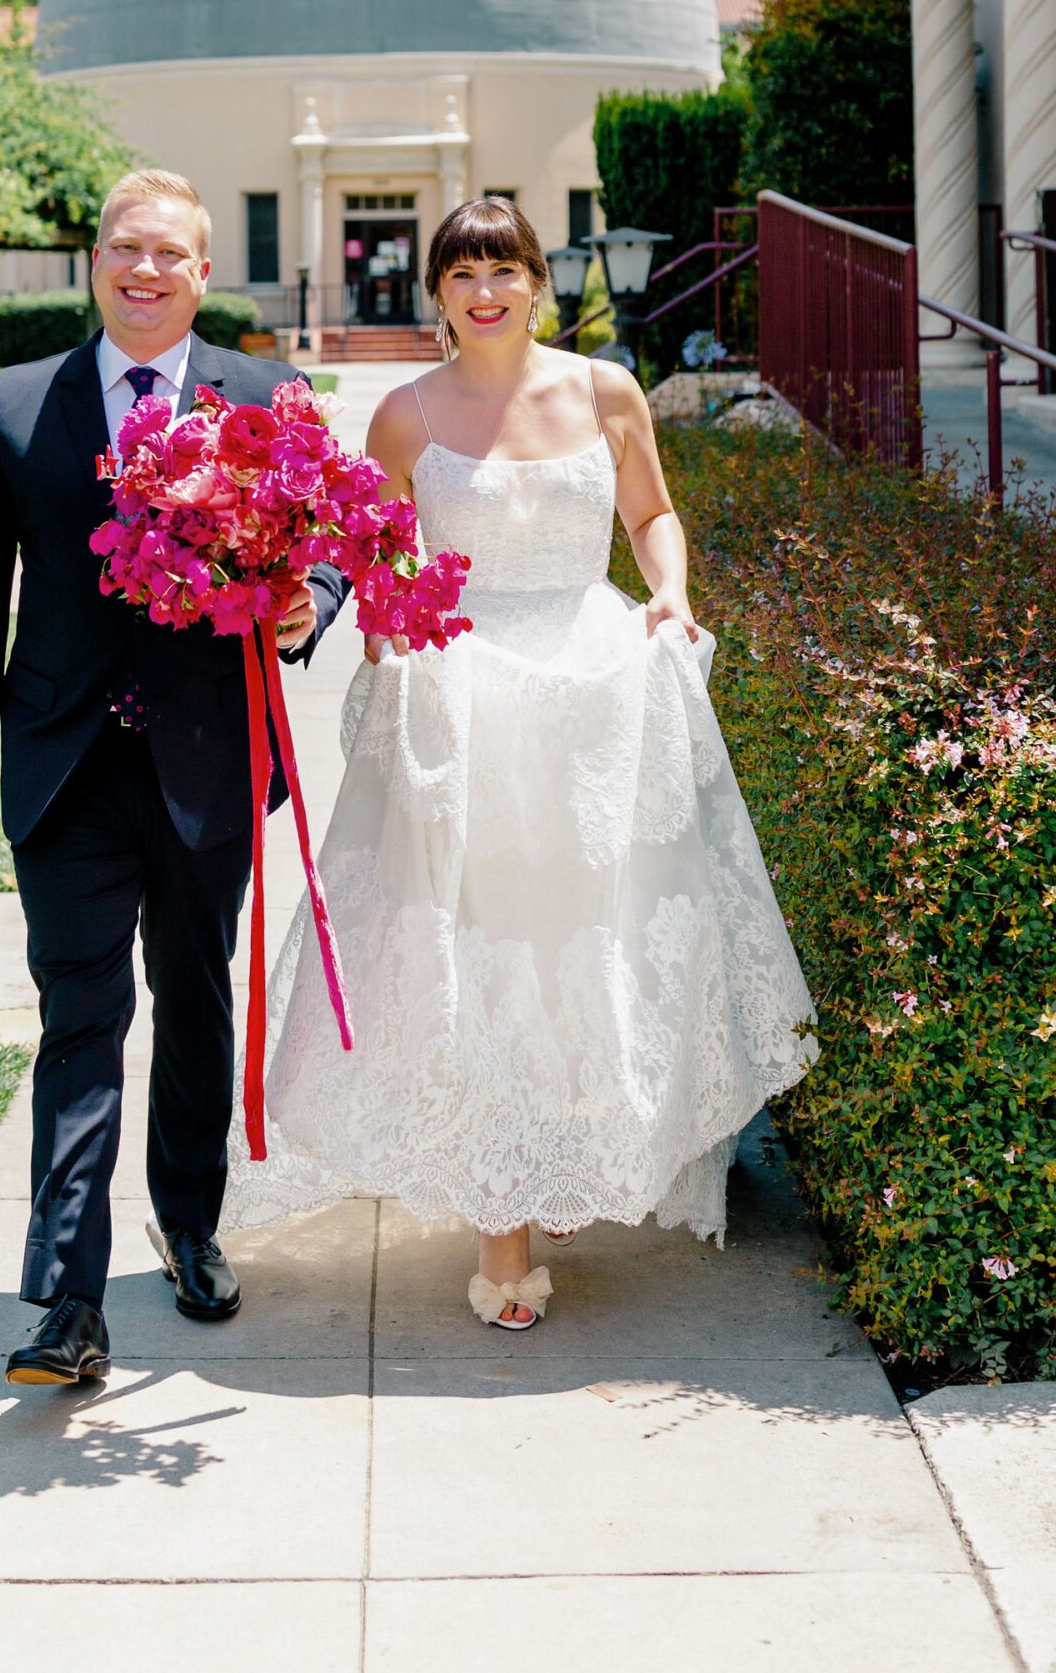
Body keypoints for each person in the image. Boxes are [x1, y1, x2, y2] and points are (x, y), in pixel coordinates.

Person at [225, 197, 814, 1328]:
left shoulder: (604, 391)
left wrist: (670, 592)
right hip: (464, 692)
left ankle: (568, 1152)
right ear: (436, 292)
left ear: (537, 280)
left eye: (504, 267)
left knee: (583, 932)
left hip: (592, 686)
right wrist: (388, 622)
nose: (483, 288)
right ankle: (500, 1230)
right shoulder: (401, 414)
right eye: (462, 272)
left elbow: (650, 516)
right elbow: (374, 551)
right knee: (472, 940)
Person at [0, 168, 349, 1387]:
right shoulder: (16, 404)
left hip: (207, 759)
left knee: (194, 997)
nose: (145, 269)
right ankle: (65, 1299)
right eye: (126, 247)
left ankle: (192, 1220)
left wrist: (298, 611)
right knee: (80, 1017)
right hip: (61, 764)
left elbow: (319, 546)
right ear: (95, 259)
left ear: (203, 273)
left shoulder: (263, 396)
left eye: (170, 252)